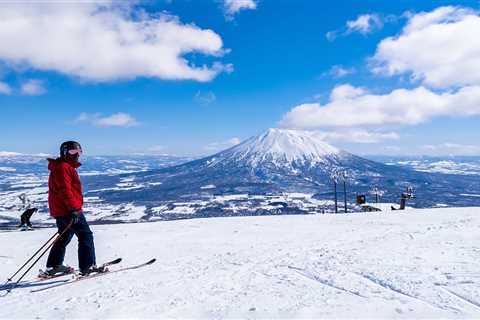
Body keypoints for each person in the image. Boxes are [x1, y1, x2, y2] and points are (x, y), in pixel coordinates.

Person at [44, 141, 103, 276]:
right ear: (64, 152)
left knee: (65, 235)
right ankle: (87, 266)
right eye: (72, 152)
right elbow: (65, 190)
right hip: (68, 210)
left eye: (79, 152)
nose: (76, 155)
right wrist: (74, 209)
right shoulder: (63, 167)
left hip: (61, 210)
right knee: (85, 236)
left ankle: (54, 265)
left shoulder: (61, 166)